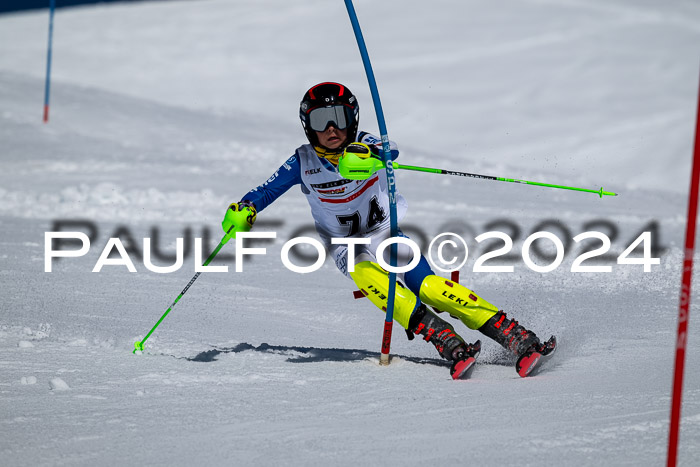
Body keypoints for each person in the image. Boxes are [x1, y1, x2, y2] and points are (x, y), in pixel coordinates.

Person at [222, 82, 555, 379]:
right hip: (346, 245)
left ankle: (515, 336)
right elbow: (266, 190)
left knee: (432, 288)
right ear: (308, 127)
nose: (332, 128)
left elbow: (390, 148)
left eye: (338, 116)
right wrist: (246, 208)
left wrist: (373, 156)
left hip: (385, 233)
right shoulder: (302, 161)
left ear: (352, 118)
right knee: (370, 278)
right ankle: (443, 337)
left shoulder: (364, 143)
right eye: (321, 120)